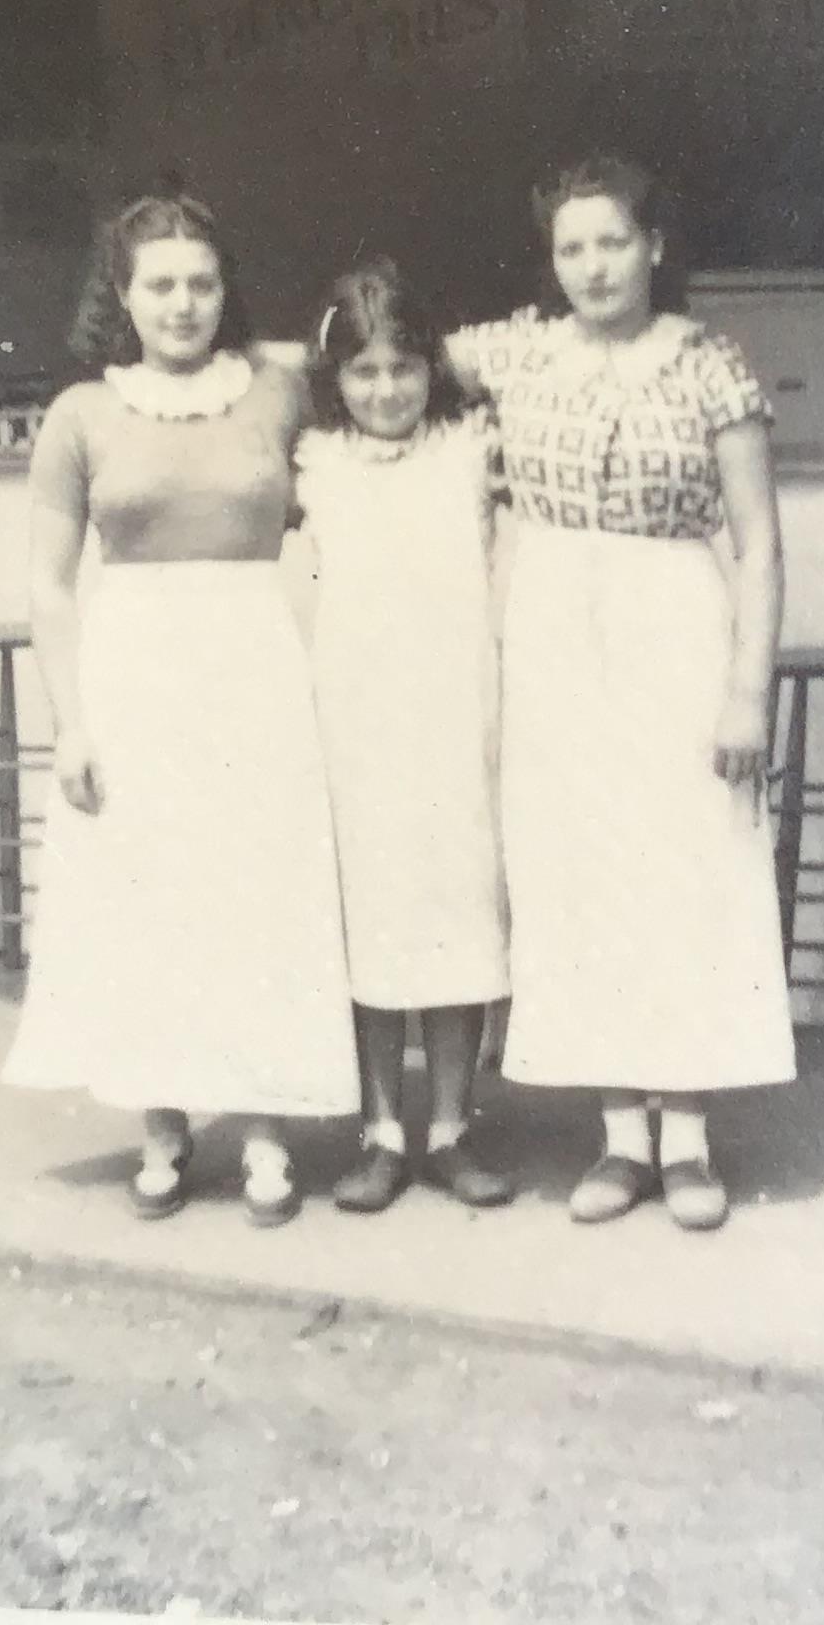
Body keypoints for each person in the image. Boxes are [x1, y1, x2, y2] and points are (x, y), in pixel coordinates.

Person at [2, 192, 358, 1225]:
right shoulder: (81, 414)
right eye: (159, 283)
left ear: (224, 288)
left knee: (257, 889)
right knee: (148, 896)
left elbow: (381, 404)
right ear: (122, 294)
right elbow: (49, 585)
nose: (184, 303)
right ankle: (162, 1128)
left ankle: (265, 1131)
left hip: (256, 664)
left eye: (202, 281)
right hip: (135, 671)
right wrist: (71, 719)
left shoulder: (278, 391)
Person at [452, 156, 791, 1231]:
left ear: (654, 247)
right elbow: (374, 351)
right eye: (570, 248)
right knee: (579, 868)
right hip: (550, 624)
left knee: (683, 861)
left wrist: (749, 691)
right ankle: (619, 1137)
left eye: (612, 243)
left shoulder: (709, 365)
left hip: (674, 623)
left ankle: (686, 1135)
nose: (592, 267)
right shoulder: (514, 352)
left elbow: (763, 543)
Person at [294, 261, 516, 1214]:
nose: (386, 390)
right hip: (357, 725)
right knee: (373, 923)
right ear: (333, 379)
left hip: (456, 718)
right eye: (363, 372)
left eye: (404, 366)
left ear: (435, 366)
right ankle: (382, 1130)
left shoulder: (470, 450)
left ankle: (454, 1127)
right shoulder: (315, 465)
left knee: (456, 916)